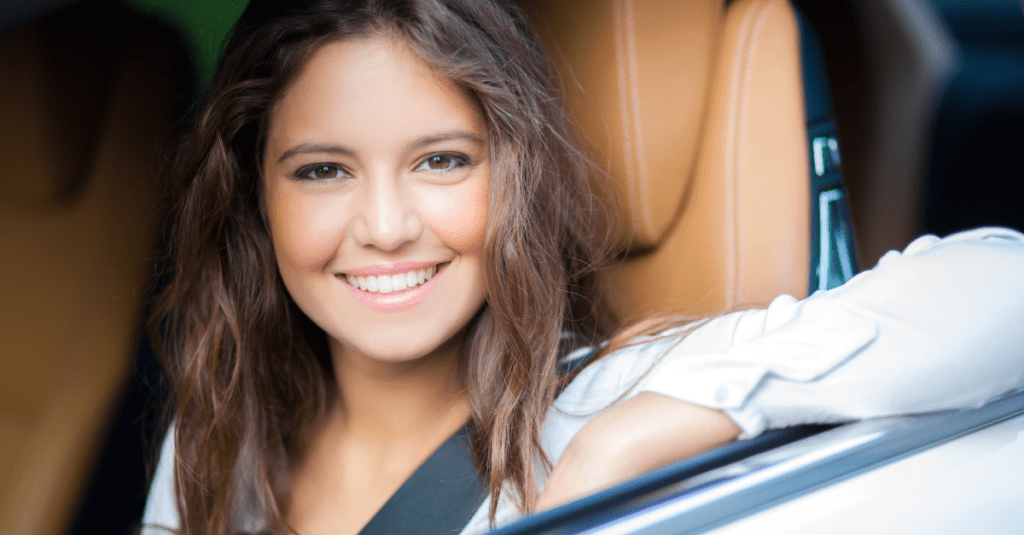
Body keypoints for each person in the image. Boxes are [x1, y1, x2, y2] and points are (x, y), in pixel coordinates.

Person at [141, 0, 1024, 534]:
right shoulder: (222, 423)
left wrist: (645, 427)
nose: (384, 226)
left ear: (514, 178)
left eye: (443, 160)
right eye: (323, 170)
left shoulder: (600, 400)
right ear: (257, 194)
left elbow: (1002, 285)